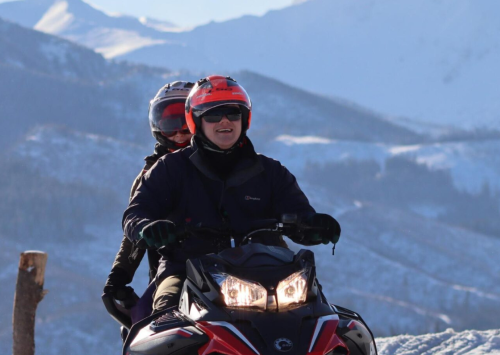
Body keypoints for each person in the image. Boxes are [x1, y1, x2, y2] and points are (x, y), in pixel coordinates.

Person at [122, 75, 341, 312]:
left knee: (326, 319)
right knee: (163, 323)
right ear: (197, 121)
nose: (224, 120)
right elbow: (136, 213)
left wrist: (315, 225)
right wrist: (149, 228)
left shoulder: (271, 172)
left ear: (244, 119)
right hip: (187, 270)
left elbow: (299, 214)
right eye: (213, 114)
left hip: (269, 272)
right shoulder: (169, 169)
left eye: (233, 113)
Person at [103, 81, 194, 320]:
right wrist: (119, 277)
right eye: (169, 125)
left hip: (232, 269)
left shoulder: (226, 166)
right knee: (148, 320)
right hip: (175, 271)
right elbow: (134, 229)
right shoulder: (151, 175)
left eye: (186, 125)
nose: (178, 133)